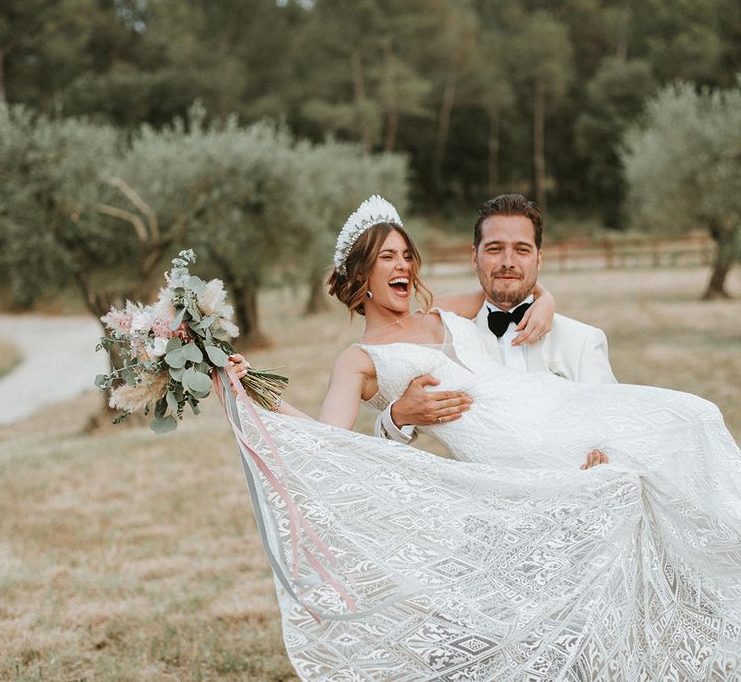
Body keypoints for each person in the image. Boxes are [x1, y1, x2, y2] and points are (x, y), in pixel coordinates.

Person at [228, 195, 741, 680]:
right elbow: (326, 442)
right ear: (361, 275)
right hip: (513, 454)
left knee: (695, 419)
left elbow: (511, 285)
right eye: (388, 257)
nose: (404, 266)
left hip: (560, 409)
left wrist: (547, 298)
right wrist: (249, 387)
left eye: (407, 255)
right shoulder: (359, 360)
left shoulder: (444, 310)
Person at [376, 194, 616, 448]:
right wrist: (398, 416)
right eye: (494, 249)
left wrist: (603, 457)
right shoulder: (446, 340)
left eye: (522, 250)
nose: (507, 263)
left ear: (539, 258)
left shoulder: (582, 341)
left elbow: (619, 429)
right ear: (474, 256)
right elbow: (385, 443)